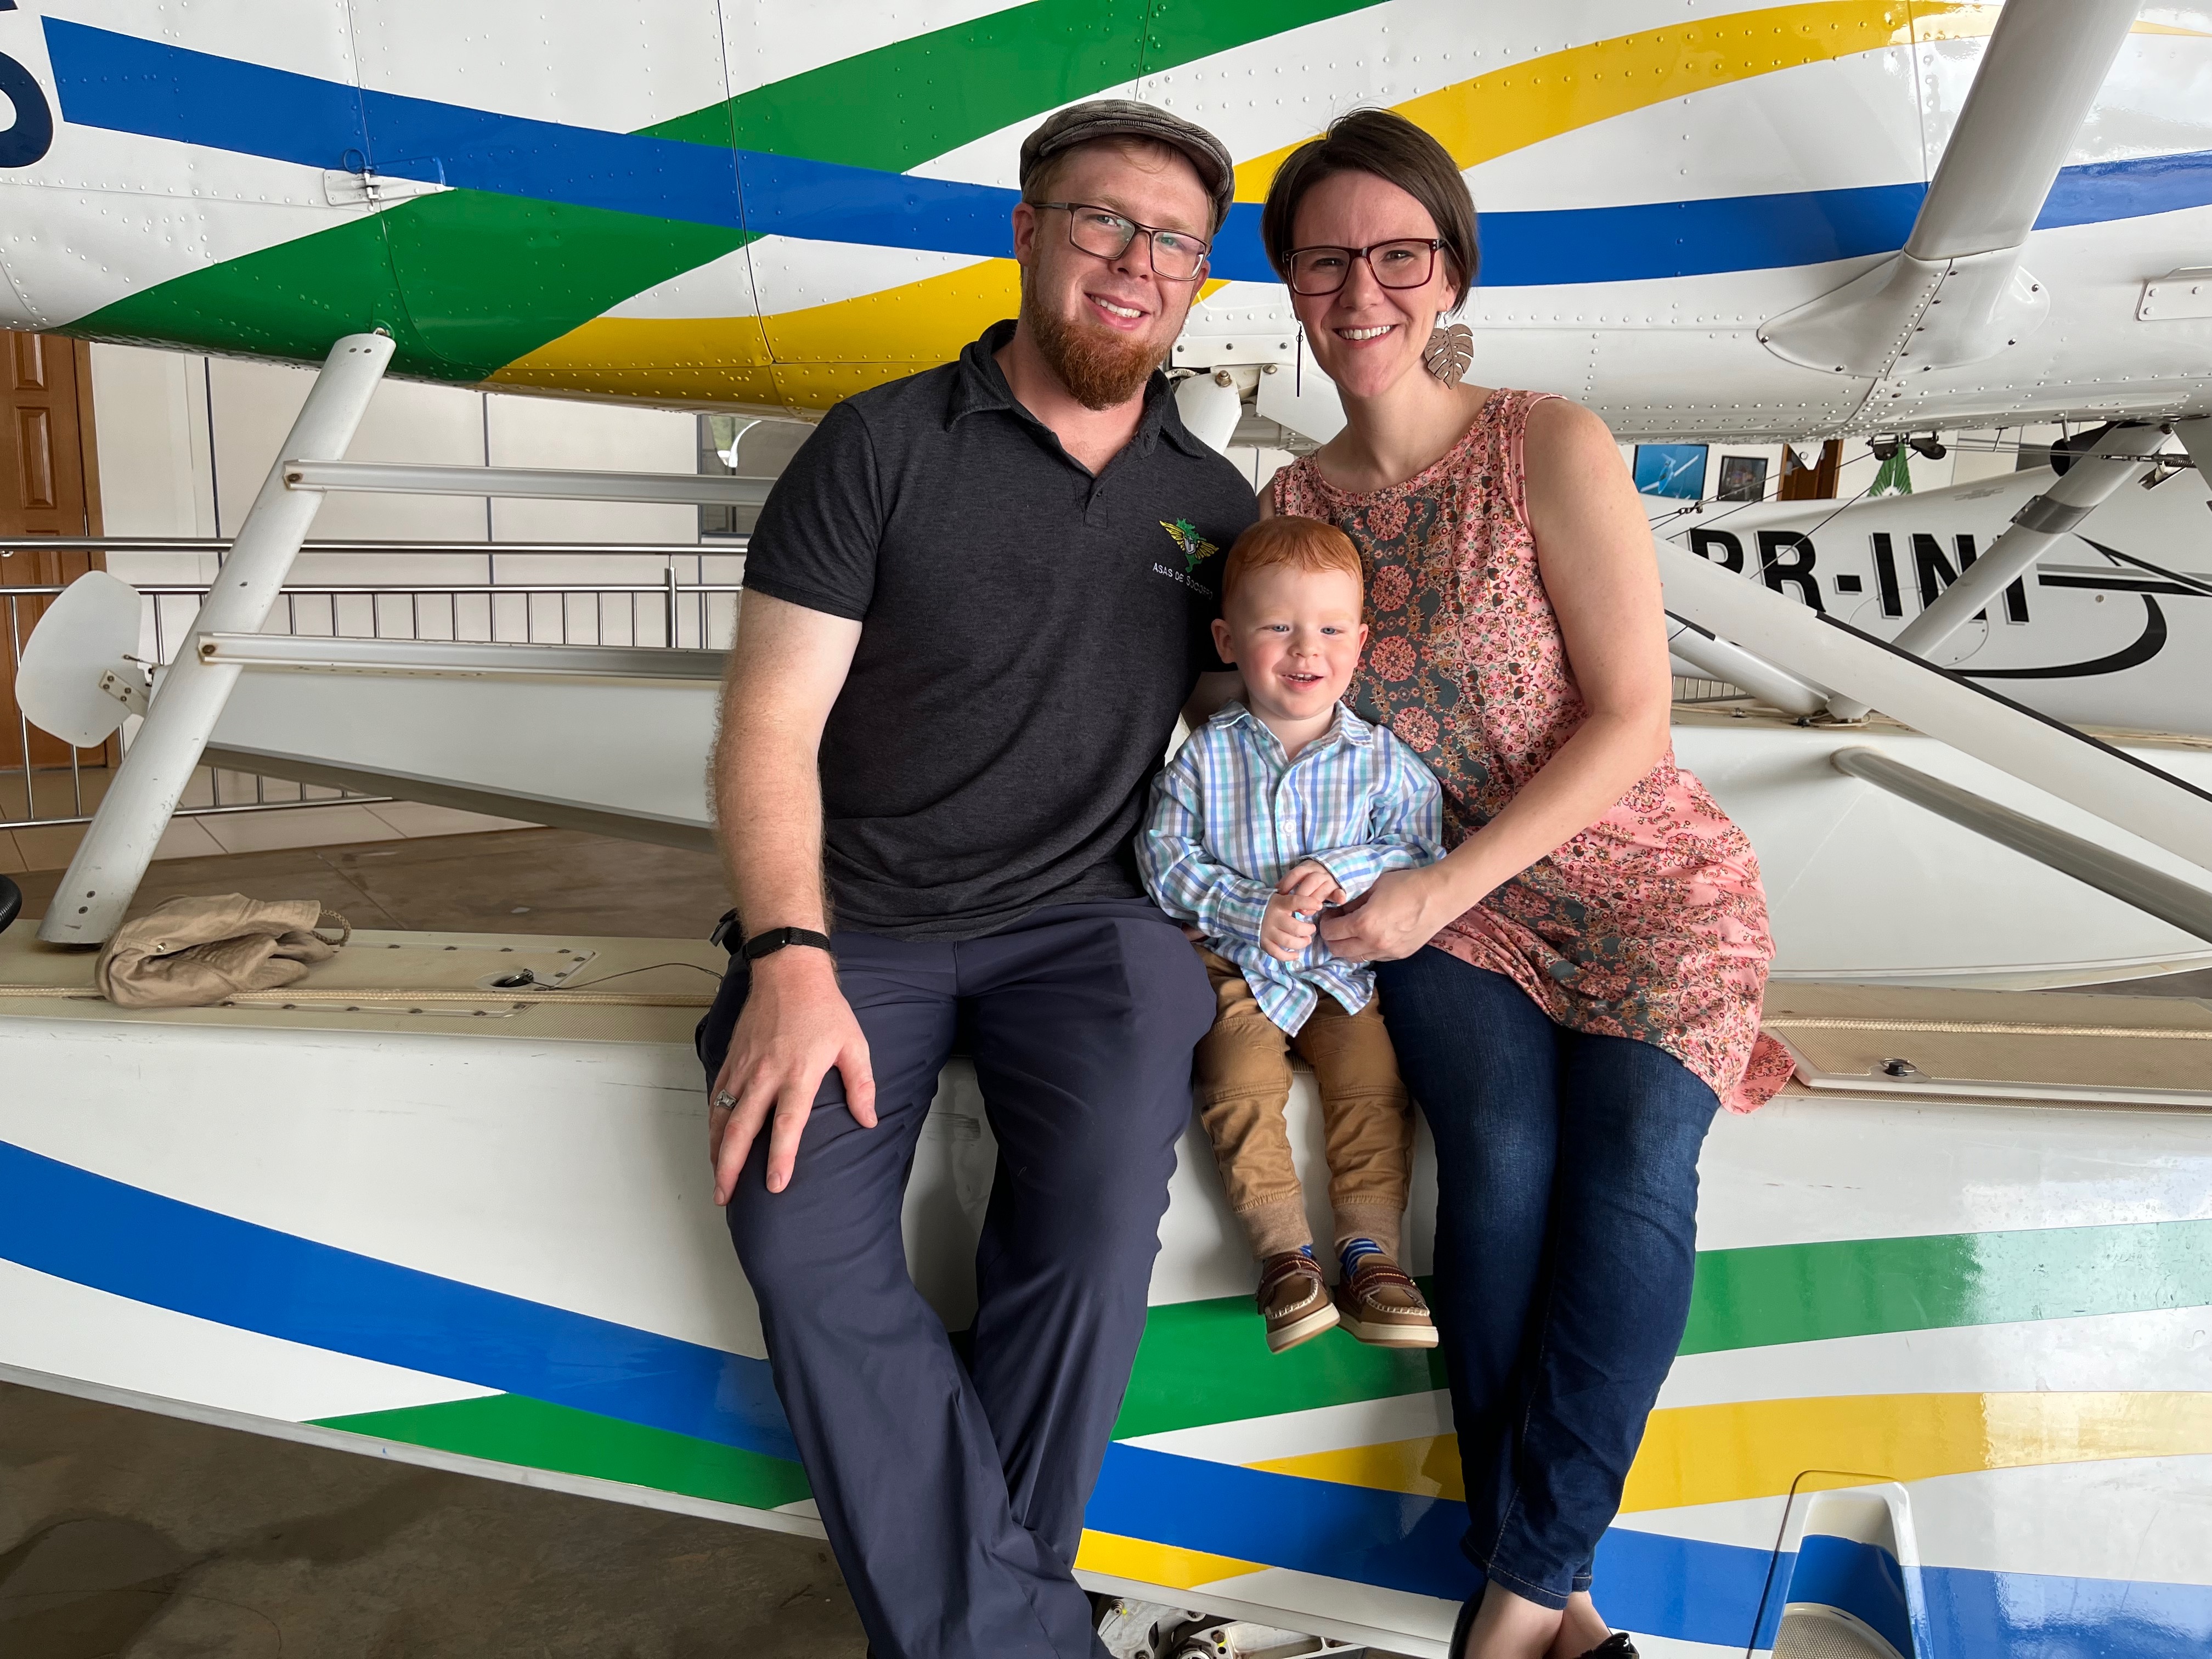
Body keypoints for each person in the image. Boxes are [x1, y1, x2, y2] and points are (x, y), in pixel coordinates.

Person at [696, 101, 1255, 1659]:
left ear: (1198, 279)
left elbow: (1250, 753)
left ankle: (980, 1629)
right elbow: (766, 732)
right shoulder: (878, 447)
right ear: (1027, 233)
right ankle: (1019, 1634)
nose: (1135, 264)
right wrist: (788, 954)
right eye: (1103, 221)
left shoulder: (1217, 507)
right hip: (853, 925)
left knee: (1096, 1234)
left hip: (1086, 925)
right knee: (799, 1244)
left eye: (1174, 242)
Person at [1256, 110, 1794, 1659]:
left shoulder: (1547, 442)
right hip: (1447, 910)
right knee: (1495, 1166)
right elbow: (1281, 715)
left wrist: (1439, 889)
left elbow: (1633, 721)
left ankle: (1516, 1603)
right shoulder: (1293, 509)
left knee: (1632, 1169)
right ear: (1289, 283)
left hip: (1639, 882)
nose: (1361, 291)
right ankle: (1552, 1603)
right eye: (1324, 260)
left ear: (1450, 273)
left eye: (1397, 256)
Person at [1137, 515, 1443, 1355]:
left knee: (1373, 1088)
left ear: (1360, 643)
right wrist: (1249, 909)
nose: (1307, 649)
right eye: (1278, 627)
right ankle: (1285, 1259)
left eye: (1331, 630)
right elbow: (1163, 859)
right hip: (1235, 965)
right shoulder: (1203, 758)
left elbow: (1423, 852)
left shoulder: (1381, 760)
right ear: (1227, 641)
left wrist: (1349, 868)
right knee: (1237, 1081)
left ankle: (1373, 1257)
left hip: (1341, 972)